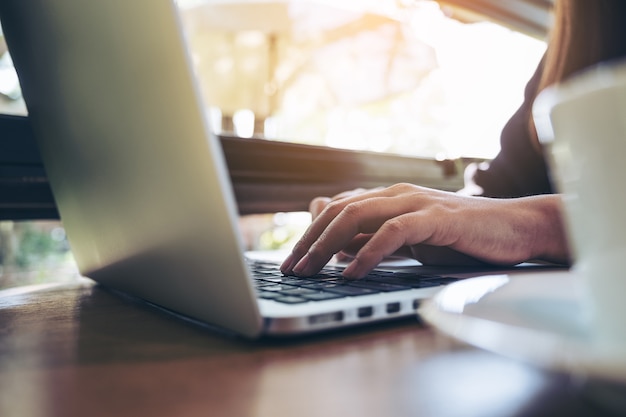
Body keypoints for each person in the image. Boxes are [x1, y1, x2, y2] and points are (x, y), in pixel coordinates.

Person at [281, 0, 626, 279]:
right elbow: (499, 191)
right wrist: (415, 220)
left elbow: (519, 218)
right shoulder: (576, 36)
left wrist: (543, 225)